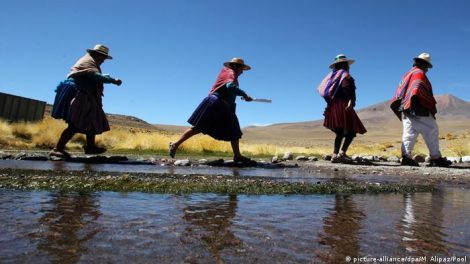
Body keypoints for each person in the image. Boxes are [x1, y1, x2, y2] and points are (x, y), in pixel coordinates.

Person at [169, 58, 254, 163]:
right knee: (200, 127)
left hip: (224, 105)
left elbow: (229, 90)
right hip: (216, 103)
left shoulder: (228, 73)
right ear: (236, 67)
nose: (242, 72)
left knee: (234, 130)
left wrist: (241, 97)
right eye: (242, 69)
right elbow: (230, 86)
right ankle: (175, 144)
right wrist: (245, 95)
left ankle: (237, 155)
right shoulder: (231, 72)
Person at [50, 44, 122, 158]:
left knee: (92, 119)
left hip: (85, 93)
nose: (103, 60)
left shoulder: (92, 62)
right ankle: (57, 149)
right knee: (75, 123)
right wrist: (112, 80)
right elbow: (93, 75)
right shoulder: (88, 61)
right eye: (102, 56)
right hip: (78, 93)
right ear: (96, 54)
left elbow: (93, 75)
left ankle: (91, 147)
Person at [390, 53, 451, 167]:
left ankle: (406, 157)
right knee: (431, 130)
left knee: (409, 133)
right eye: (427, 66)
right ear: (424, 65)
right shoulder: (419, 73)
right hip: (419, 109)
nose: (427, 69)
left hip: (405, 107)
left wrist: (406, 103)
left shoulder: (407, 74)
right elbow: (417, 89)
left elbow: (401, 91)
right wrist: (421, 102)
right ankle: (435, 158)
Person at [317, 54, 367, 163]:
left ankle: (335, 154)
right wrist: (351, 100)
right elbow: (346, 87)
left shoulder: (331, 77)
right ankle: (341, 153)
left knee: (340, 131)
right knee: (352, 130)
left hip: (333, 106)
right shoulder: (345, 76)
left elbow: (321, 90)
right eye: (347, 64)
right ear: (344, 65)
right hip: (344, 105)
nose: (349, 67)